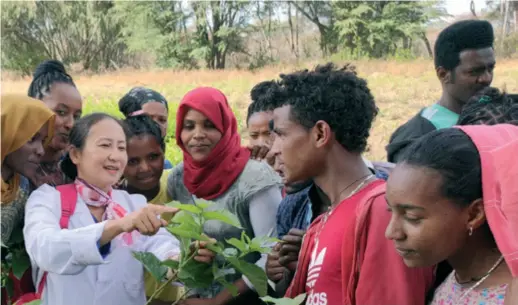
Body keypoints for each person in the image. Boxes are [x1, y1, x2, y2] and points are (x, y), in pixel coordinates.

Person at [268, 63, 433, 305]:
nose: (273, 150)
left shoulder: (381, 212)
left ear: (320, 134)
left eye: (281, 135)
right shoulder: (321, 222)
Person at [23, 113, 214, 305]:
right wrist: (117, 226)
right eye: (105, 145)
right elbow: (45, 248)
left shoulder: (134, 204)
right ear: (75, 154)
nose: (115, 156)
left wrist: (184, 259)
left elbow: (161, 247)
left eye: (121, 147)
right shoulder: (48, 199)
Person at [167, 87, 282, 305]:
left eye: (209, 125)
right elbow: (184, 244)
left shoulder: (255, 176)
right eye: (189, 126)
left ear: (226, 127)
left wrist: (220, 300)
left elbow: (272, 256)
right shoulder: (178, 178)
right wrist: (192, 296)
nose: (198, 134)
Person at [385, 125, 518, 305]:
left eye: (412, 217)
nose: (391, 232)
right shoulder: (459, 277)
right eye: (390, 210)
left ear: (474, 214)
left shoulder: (508, 296)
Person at [386, 20, 495, 162]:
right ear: (443, 74)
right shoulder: (418, 138)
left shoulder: (499, 116)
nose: (486, 78)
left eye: (490, 69)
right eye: (474, 72)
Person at [119, 114, 182, 304]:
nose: (145, 168)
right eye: (133, 161)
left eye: (153, 157)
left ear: (164, 151)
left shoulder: (177, 185)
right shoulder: (113, 205)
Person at [1, 94, 56, 305]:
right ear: (7, 131)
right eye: (31, 138)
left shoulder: (21, 187)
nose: (41, 150)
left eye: (43, 141)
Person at [27, 59, 83, 188]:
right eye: (61, 112)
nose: (71, 124)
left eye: (77, 116)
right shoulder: (13, 164)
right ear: (34, 107)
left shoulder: (79, 162)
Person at [119, 87, 174, 169]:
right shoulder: (117, 166)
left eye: (162, 120)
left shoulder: (166, 167)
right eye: (148, 118)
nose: (156, 125)